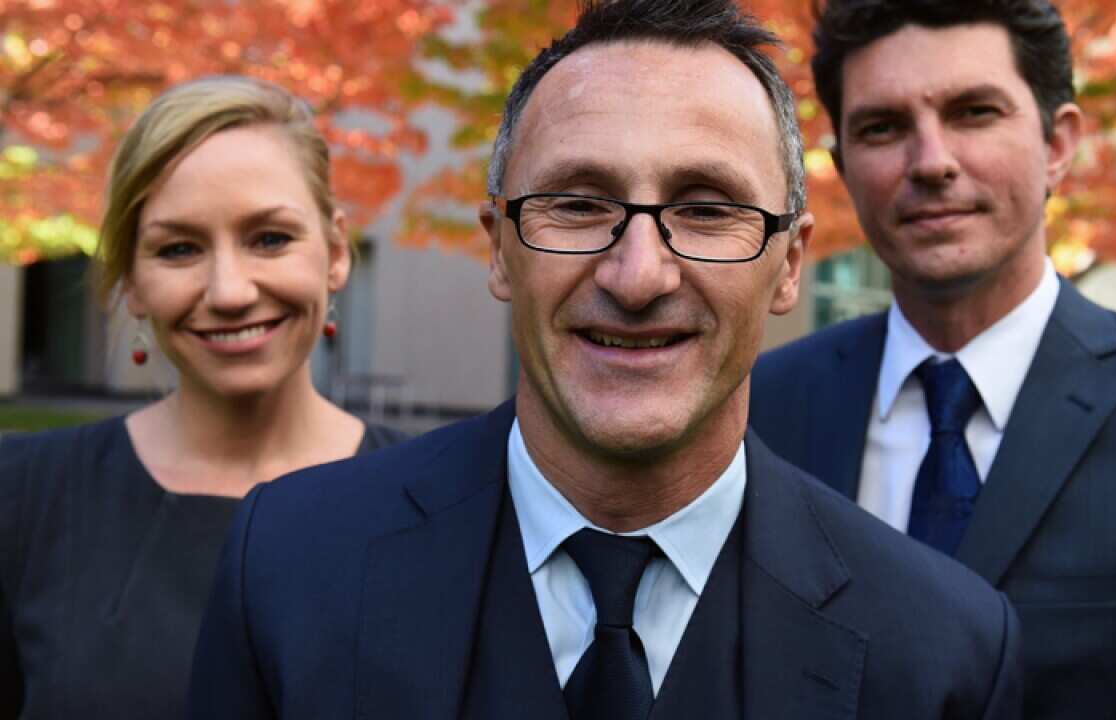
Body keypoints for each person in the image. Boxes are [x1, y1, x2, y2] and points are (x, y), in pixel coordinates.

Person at [187, 1, 1023, 717]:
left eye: (706, 209)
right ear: (499, 248)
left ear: (790, 264)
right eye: (578, 204)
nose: (638, 276)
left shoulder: (943, 652)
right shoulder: (290, 568)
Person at [749, 1, 1116, 718]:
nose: (931, 162)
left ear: (1057, 143)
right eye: (883, 128)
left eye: (974, 113)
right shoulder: (762, 410)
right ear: (841, 166)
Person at [0, 76, 408, 719]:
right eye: (180, 249)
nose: (229, 292)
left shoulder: (446, 508)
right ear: (132, 281)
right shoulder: (23, 498)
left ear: (334, 252)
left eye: (269, 239)